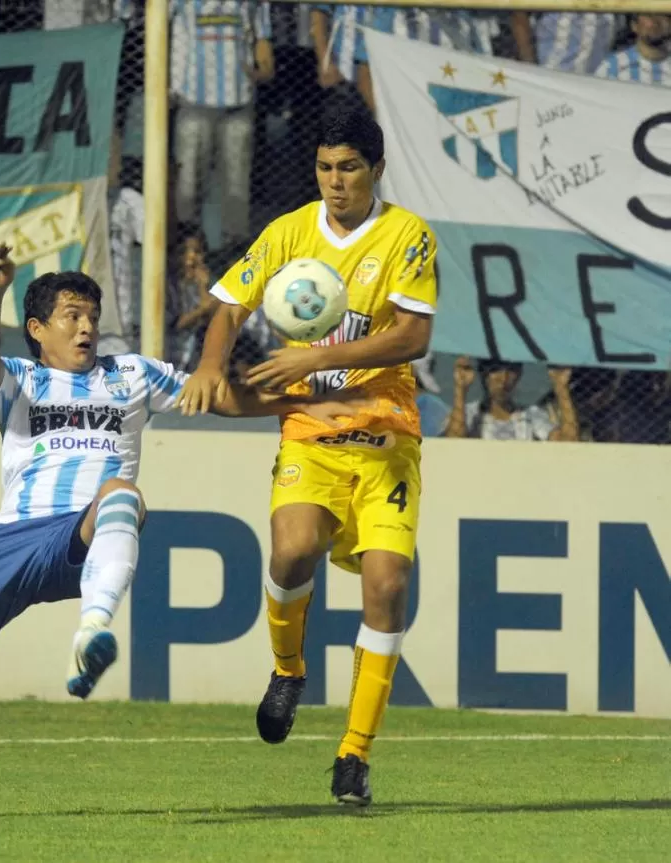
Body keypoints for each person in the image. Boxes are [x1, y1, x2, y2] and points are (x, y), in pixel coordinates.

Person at [0, 241, 360, 822]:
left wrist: (299, 405)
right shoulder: (19, 379)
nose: (85, 329)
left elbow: (219, 394)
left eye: (91, 318)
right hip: (15, 535)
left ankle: (93, 629)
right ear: (36, 329)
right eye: (71, 318)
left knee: (121, 491)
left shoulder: (132, 374)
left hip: (89, 530)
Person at [177, 101, 437, 807]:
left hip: (385, 433)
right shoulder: (290, 231)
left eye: (349, 167)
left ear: (375, 169)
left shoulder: (408, 236)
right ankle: (288, 670)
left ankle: (354, 754)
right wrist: (210, 362)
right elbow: (230, 304)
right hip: (311, 428)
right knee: (291, 551)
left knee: (385, 585)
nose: (335, 181)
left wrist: (311, 356)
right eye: (324, 167)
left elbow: (412, 339)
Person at [445, 357, 577, 441]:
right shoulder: (470, 413)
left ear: (519, 375)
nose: (504, 379)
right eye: (496, 370)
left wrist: (561, 387)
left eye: (511, 371)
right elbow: (452, 442)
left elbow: (568, 443)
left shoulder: (530, 415)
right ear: (484, 374)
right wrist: (460, 389)